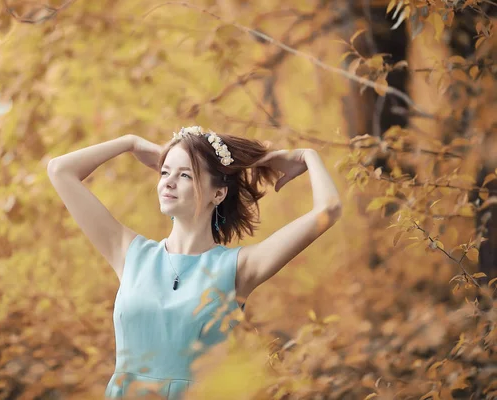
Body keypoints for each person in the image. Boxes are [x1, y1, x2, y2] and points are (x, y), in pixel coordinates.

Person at [47, 126, 342, 399]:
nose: (169, 183)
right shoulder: (130, 253)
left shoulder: (238, 268)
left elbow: (329, 209)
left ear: (218, 193)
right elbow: (60, 170)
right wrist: (130, 142)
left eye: (185, 175)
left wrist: (308, 156)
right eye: (164, 172)